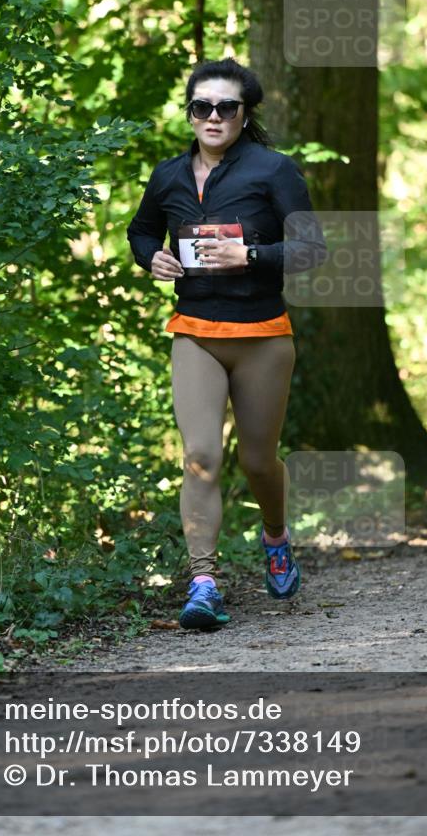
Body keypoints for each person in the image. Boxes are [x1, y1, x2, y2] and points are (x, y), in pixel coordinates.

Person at [126, 57, 327, 631]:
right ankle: (204, 583)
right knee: (202, 457)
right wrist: (151, 257)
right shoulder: (167, 175)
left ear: (244, 114)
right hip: (195, 333)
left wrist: (252, 256)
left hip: (263, 336)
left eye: (226, 107)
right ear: (189, 113)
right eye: (202, 106)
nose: (213, 116)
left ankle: (276, 535)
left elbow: (313, 249)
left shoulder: (274, 171)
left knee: (258, 460)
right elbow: (141, 229)